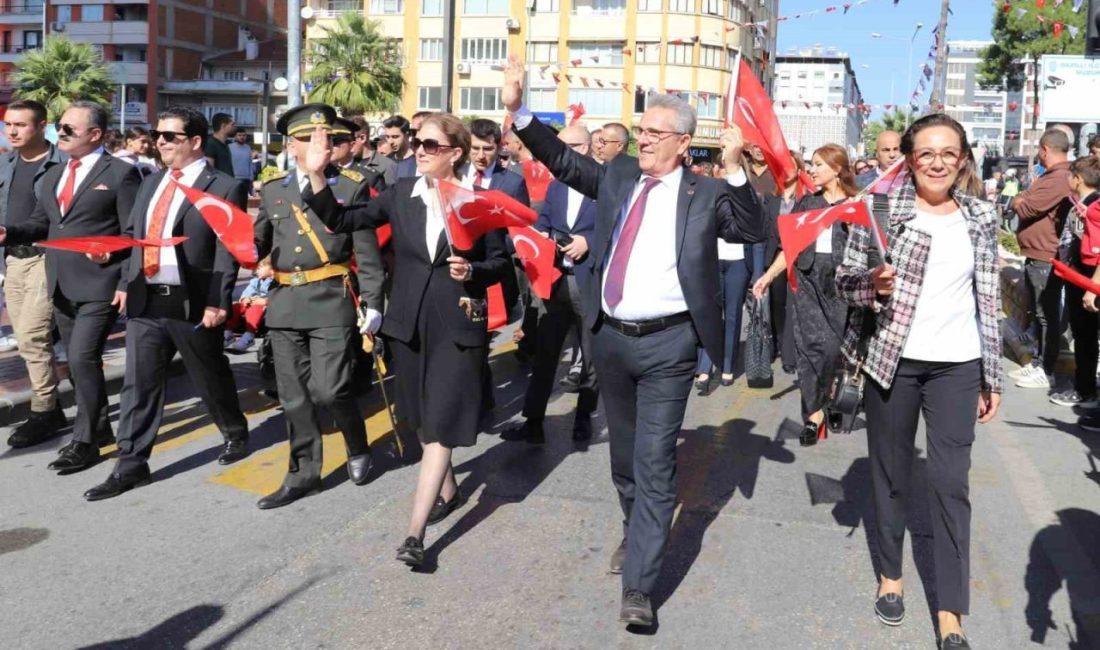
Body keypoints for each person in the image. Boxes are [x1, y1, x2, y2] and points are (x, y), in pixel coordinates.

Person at [501, 55, 763, 627]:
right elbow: (563, 161)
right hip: (610, 340)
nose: (640, 140)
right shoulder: (618, 176)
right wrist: (518, 110)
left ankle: (640, 586)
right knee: (624, 459)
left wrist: (738, 167)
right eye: (640, 130)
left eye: (652, 133)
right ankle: (634, 527)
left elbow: (753, 229)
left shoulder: (707, 192)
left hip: (670, 345)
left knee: (654, 460)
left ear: (683, 142)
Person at [301, 112, 511, 566]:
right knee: (417, 415)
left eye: (431, 145)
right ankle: (449, 490)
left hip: (457, 325)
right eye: (418, 142)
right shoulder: (400, 194)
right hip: (409, 323)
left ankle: (415, 535)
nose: (419, 150)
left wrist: (473, 269)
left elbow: (501, 264)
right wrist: (316, 173)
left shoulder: (479, 200)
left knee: (438, 423)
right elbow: (340, 219)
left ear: (455, 154)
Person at [835, 113, 1003, 650]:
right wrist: (874, 285)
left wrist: (991, 374)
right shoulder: (880, 210)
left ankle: (950, 611)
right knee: (891, 473)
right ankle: (891, 574)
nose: (937, 162)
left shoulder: (981, 215)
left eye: (948, 153)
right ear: (909, 157)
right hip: (893, 361)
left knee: (951, 483)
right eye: (926, 152)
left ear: (963, 160)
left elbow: (988, 302)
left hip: (958, 366)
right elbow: (845, 284)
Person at [83, 106, 253, 500]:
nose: (160, 141)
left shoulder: (223, 186)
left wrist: (218, 301)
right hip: (147, 298)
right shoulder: (150, 181)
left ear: (194, 142)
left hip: (192, 300)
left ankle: (233, 429)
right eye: (158, 135)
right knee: (138, 384)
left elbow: (228, 250)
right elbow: (134, 235)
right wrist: (119, 271)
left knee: (208, 373)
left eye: (170, 136)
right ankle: (131, 464)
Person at [251, 103, 381, 509]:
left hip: (331, 301)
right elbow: (260, 243)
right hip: (286, 301)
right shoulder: (273, 189)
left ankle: (357, 445)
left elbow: (368, 253)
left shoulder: (351, 186)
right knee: (293, 397)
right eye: (308, 140)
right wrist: (258, 259)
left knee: (330, 390)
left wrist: (374, 305)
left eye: (325, 139)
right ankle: (303, 473)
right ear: (291, 146)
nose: (319, 147)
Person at [0, 101, 142, 472]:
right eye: (59, 128)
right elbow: (42, 223)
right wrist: (9, 233)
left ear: (95, 135)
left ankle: (85, 441)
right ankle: (100, 428)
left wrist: (127, 280)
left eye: (68, 130)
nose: (59, 134)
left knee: (80, 357)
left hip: (102, 285)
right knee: (79, 363)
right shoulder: (53, 175)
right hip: (61, 282)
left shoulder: (121, 173)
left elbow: (132, 235)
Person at [751, 144, 855, 446]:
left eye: (819, 164)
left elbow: (875, 248)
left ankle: (831, 400)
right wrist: (768, 276)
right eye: (811, 164)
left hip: (841, 283)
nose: (811, 169)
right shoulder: (807, 203)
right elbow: (790, 247)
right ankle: (813, 416)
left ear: (837, 169)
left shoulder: (856, 203)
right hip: (808, 282)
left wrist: (855, 224)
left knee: (834, 351)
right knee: (809, 351)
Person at [502, 124, 598, 444]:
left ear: (587, 147)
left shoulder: (605, 184)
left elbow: (621, 230)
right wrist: (538, 237)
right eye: (561, 145)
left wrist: (589, 242)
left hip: (589, 282)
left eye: (571, 145)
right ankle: (533, 421)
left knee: (590, 355)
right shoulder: (556, 187)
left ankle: (583, 416)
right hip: (555, 281)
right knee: (545, 354)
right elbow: (543, 222)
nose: (563, 151)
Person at [0, 99, 66, 448]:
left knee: (32, 337)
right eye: (8, 124)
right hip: (12, 260)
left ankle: (44, 410)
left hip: (46, 258)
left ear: (42, 126)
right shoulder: (6, 163)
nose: (12, 131)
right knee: (28, 339)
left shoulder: (61, 164)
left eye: (20, 125)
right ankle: (51, 405)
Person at [1011, 127, 1073, 390]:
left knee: (1047, 314)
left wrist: (1018, 200)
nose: (1038, 154)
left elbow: (1028, 206)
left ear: (1045, 149)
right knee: (1039, 313)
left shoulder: (1059, 178)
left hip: (1046, 255)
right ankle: (1038, 362)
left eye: (1039, 150)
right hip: (1037, 253)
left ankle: (1045, 369)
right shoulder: (1051, 176)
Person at [1051, 157, 1100, 409]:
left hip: (1087, 282)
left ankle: (1085, 390)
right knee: (1085, 336)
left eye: (1070, 175)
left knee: (1086, 336)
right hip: (1082, 280)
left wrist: (1091, 286)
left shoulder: (1091, 208)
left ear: (1078, 179)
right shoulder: (1086, 204)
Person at [760, 151, 806, 374]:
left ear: (798, 170)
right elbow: (764, 230)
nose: (786, 171)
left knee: (794, 305)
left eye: (791, 166)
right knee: (777, 305)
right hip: (774, 258)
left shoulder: (807, 199)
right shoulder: (771, 197)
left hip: (798, 258)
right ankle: (776, 345)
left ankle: (790, 355)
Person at [224, 258, 274, 353]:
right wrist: (245, 299)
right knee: (235, 307)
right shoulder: (255, 281)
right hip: (251, 302)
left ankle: (249, 335)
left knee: (254, 310)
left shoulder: (275, 282)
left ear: (272, 270)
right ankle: (228, 333)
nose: (256, 271)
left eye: (260, 268)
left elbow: (276, 296)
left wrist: (266, 301)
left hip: (264, 307)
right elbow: (247, 293)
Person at [350, 115, 396, 190]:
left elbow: (389, 197)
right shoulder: (345, 163)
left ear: (362, 138)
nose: (348, 144)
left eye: (350, 139)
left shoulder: (387, 166)